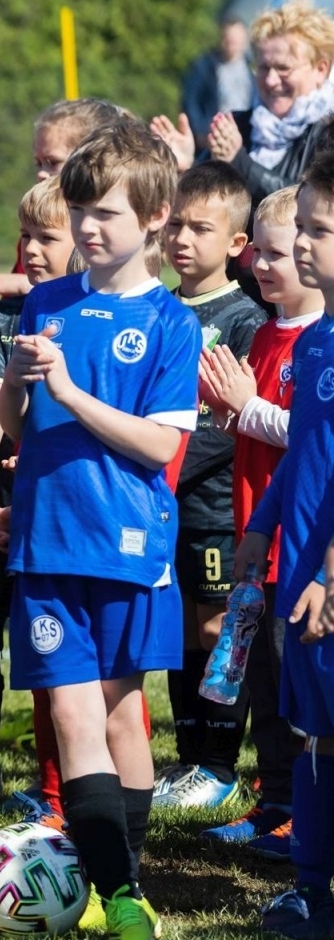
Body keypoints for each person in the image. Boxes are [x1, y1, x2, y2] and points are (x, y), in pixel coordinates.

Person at [0, 119, 199, 940]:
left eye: (106, 215)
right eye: (80, 212)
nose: (87, 230)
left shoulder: (170, 324)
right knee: (73, 715)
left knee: (123, 719)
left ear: (154, 219)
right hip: (45, 543)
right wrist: (11, 386)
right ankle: (116, 898)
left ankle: (127, 881)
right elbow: (13, 423)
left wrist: (74, 393)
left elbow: (161, 445)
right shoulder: (43, 303)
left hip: (124, 547)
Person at [194, 185, 318, 858]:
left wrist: (245, 409)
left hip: (299, 547)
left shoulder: (316, 342)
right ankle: (273, 803)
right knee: (262, 684)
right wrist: (226, 411)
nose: (267, 266)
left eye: (283, 253)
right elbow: (253, 429)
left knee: (298, 687)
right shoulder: (266, 332)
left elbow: (307, 437)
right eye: (262, 254)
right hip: (257, 537)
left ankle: (305, 812)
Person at [0, 176, 80, 803]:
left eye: (46, 238)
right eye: (24, 235)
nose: (29, 249)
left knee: (50, 636)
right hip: (1, 499)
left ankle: (59, 786)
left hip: (53, 499)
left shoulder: (89, 311)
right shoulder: (10, 311)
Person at [243, 152, 334, 940]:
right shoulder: (315, 345)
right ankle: (310, 890)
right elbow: (307, 454)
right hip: (297, 574)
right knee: (314, 732)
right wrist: (263, 525)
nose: (302, 244)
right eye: (299, 226)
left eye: (320, 230)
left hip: (326, 584)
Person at [157, 162, 267, 809]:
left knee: (218, 630)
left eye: (201, 228)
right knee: (178, 634)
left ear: (235, 244)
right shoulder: (160, 309)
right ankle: (190, 759)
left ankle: (221, 767)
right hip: (165, 508)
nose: (183, 239)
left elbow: (227, 426)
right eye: (175, 224)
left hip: (216, 507)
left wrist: (162, 465)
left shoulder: (243, 321)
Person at [154, 0, 334, 206]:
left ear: (321, 69)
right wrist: (188, 167)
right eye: (264, 67)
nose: (271, 80)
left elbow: (308, 205)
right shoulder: (239, 126)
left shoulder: (328, 134)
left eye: (284, 68)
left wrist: (241, 163)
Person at [0, 99, 125, 302]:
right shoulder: (36, 227)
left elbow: (102, 292)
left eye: (53, 162)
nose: (41, 174)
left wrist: (26, 285)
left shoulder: (99, 231)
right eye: (38, 163)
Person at [182, 19, 254, 156]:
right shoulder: (205, 67)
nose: (231, 45)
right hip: (212, 135)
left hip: (244, 136)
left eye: (236, 41)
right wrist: (200, 131)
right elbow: (190, 100)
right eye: (229, 40)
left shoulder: (253, 69)